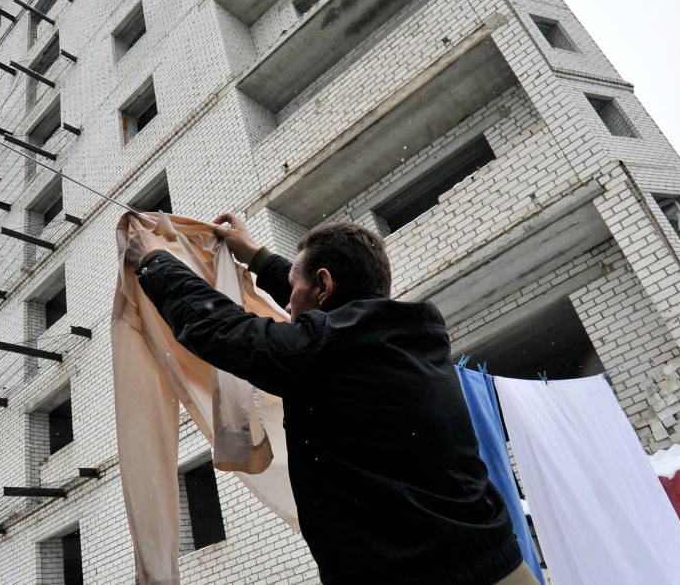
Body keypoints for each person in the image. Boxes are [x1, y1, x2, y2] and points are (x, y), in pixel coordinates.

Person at [124, 213, 539, 585]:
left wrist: (156, 261)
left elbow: (221, 328)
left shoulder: (324, 354)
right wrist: (257, 257)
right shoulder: (409, 341)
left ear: (323, 284)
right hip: (501, 563)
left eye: (293, 288)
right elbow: (329, 313)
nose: (286, 303)